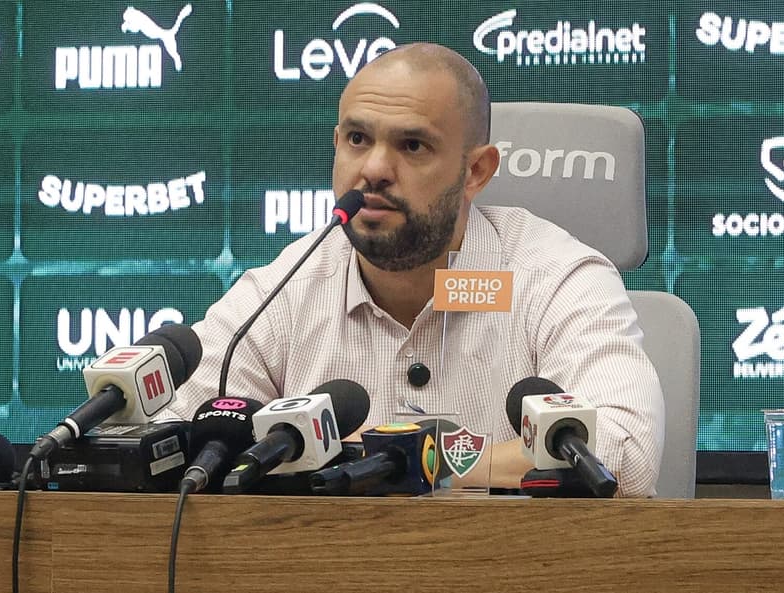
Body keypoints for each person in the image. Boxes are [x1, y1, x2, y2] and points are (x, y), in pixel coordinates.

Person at [163, 43, 664, 497]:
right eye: (358, 138)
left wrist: (407, 461)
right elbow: (169, 436)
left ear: (476, 171)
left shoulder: (556, 277)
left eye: (412, 146)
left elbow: (626, 458)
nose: (375, 168)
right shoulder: (285, 287)